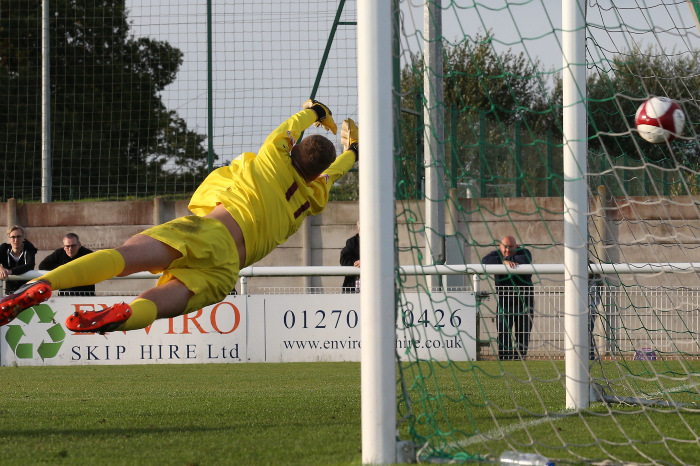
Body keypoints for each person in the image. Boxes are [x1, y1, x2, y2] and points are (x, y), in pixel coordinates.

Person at [0, 100, 359, 333]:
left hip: (208, 230)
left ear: (292, 149)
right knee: (154, 305)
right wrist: (353, 152)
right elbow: (336, 172)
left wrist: (315, 112)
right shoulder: (313, 197)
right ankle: (123, 316)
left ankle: (42, 285)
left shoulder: (272, 158)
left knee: (124, 258)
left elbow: (291, 125)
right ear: (315, 175)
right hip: (227, 268)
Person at [482, 236, 534, 360]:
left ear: (517, 246)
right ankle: (506, 361)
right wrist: (503, 261)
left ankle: (519, 361)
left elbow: (525, 259)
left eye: (511, 247)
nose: (507, 249)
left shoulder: (524, 252)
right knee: (503, 333)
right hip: (504, 301)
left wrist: (503, 259)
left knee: (523, 334)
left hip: (525, 301)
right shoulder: (495, 254)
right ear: (500, 247)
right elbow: (484, 261)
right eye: (505, 246)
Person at [0, 226, 38, 298]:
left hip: (27, 292)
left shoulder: (29, 248)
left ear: (23, 238)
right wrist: (1, 268)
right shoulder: (4, 248)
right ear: (9, 239)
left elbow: (30, 265)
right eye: (13, 237)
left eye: (18, 237)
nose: (16, 240)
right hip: (10, 292)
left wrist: (11, 271)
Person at [340, 221, 360, 293]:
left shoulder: (377, 242)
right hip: (353, 287)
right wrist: (356, 262)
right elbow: (344, 260)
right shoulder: (352, 242)